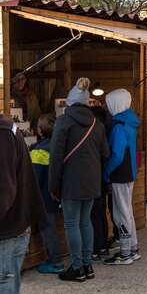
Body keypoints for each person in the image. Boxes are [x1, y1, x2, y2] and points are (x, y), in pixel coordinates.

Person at [49, 78, 110, 282]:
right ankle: (87, 265)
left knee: (71, 223)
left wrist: (53, 185)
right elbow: (105, 153)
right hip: (92, 181)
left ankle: (76, 268)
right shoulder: (97, 124)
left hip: (70, 182)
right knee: (86, 222)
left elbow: (56, 156)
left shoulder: (63, 122)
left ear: (70, 102)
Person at [0, 114, 47, 294]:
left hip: (8, 231)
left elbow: (4, 189)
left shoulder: (2, 133)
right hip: (12, 227)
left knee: (5, 284)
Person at [103, 89, 142, 265]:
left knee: (121, 213)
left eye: (108, 103)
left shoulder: (118, 126)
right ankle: (133, 247)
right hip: (129, 173)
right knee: (128, 211)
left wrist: (106, 171)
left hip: (120, 174)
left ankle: (125, 252)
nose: (106, 106)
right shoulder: (129, 123)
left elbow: (117, 155)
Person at [30, 114, 65, 274]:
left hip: (45, 197)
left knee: (48, 229)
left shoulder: (38, 151)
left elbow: (35, 179)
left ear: (41, 131)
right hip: (60, 194)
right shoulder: (60, 146)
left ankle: (55, 261)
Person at [90, 106, 112, 261]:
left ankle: (96, 248)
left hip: (94, 179)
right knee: (100, 213)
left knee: (93, 215)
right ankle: (103, 245)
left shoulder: (94, 133)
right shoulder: (106, 132)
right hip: (102, 179)